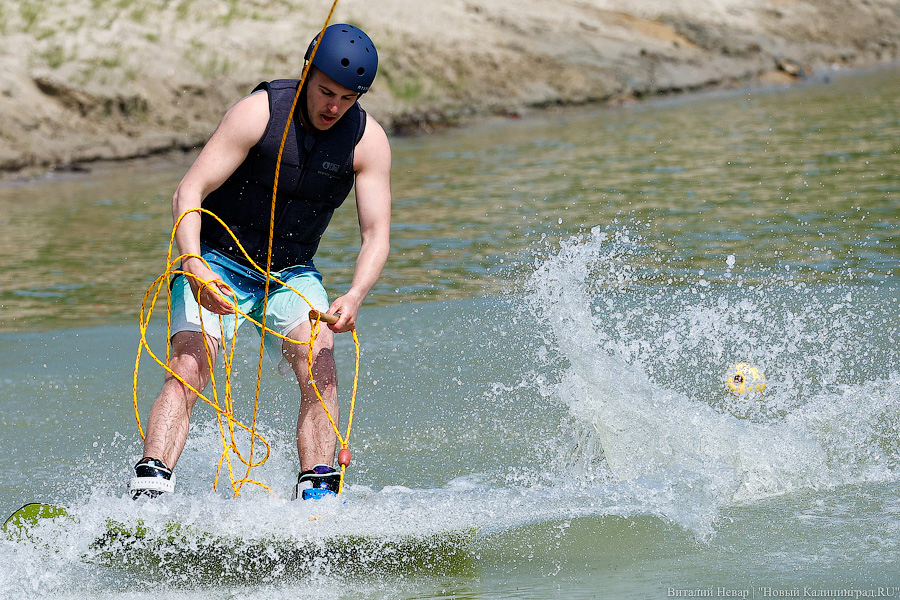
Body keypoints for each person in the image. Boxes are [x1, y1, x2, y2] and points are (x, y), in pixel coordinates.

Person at [129, 24, 391, 501]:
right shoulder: (259, 113)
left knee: (321, 366)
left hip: (290, 273)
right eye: (325, 91)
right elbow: (189, 191)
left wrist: (354, 295)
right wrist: (194, 265)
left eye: (347, 98)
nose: (333, 107)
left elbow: (376, 233)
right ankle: (149, 491)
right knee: (189, 364)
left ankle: (317, 496)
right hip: (217, 260)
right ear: (308, 74)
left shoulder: (366, 140)